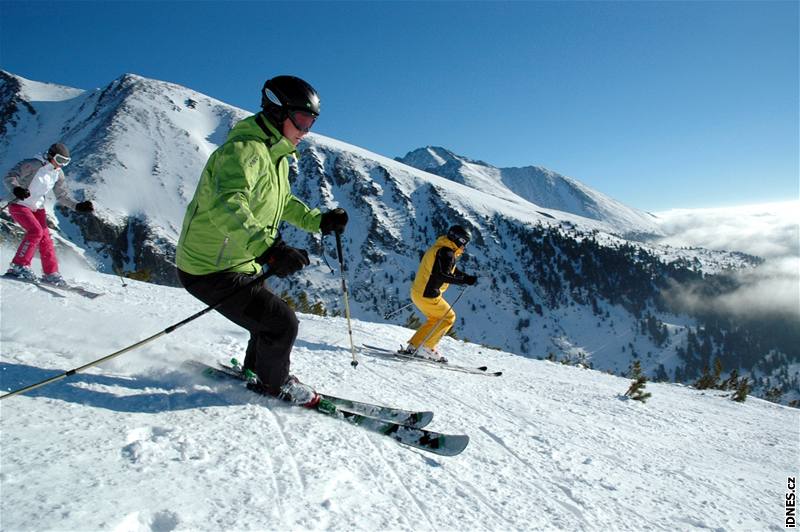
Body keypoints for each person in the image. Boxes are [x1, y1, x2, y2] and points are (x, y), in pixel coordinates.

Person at [176, 75, 348, 407]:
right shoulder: (244, 151)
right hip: (208, 267)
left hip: (236, 261)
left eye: (311, 121)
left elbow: (280, 201)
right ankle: (275, 385)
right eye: (301, 119)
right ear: (277, 113)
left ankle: (256, 373)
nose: (306, 130)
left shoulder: (275, 155)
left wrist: (319, 220)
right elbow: (228, 204)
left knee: (267, 322)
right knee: (281, 324)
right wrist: (269, 248)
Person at [3, 143, 94, 286]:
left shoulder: (58, 174)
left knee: (45, 238)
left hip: (37, 207)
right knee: (35, 231)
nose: (61, 164)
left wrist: (78, 206)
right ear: (50, 155)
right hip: (18, 204)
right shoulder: (32, 164)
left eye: (65, 161)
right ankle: (18, 266)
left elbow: (62, 196)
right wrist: (17, 189)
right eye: (60, 160)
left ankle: (51, 273)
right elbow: (10, 176)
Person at [402, 225, 478, 362]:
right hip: (428, 294)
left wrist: (465, 277)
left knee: (435, 319)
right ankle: (426, 347)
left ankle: (414, 346)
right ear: (459, 240)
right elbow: (442, 275)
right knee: (448, 317)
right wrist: (463, 281)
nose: (465, 246)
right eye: (465, 242)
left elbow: (449, 270)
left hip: (418, 292)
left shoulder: (440, 248)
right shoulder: (447, 253)